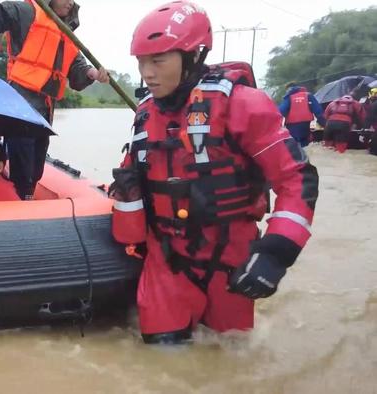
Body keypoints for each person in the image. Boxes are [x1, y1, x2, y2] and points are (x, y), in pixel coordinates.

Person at [110, 1, 318, 344]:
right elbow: (133, 177)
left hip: (231, 258)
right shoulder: (145, 114)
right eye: (141, 61)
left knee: (232, 358)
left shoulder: (244, 105)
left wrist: (276, 252)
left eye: (158, 60)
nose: (147, 72)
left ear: (192, 56)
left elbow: (297, 179)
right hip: (167, 260)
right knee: (161, 361)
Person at [0, 0, 110, 200]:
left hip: (44, 111)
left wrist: (93, 73)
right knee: (21, 169)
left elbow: (78, 67)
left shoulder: (66, 32)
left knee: (35, 170)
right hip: (20, 106)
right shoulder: (25, 11)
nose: (70, 3)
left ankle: (27, 198)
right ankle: (19, 202)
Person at [278, 82, 325, 147]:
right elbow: (318, 111)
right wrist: (324, 124)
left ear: (288, 89)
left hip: (292, 126)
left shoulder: (288, 98)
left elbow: (280, 112)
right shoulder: (308, 95)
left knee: (296, 145)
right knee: (305, 144)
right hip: (305, 125)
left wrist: (277, 127)